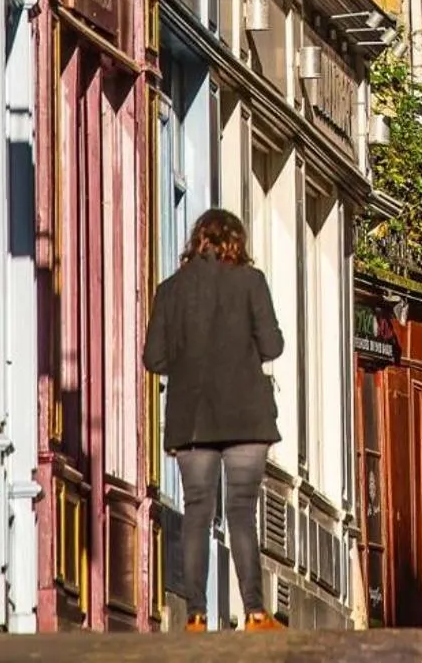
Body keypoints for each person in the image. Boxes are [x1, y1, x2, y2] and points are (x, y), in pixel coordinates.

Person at [143, 208, 284, 633]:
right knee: (241, 512)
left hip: (192, 421)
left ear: (196, 240)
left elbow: (154, 358)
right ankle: (256, 613)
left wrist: (188, 362)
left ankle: (196, 615)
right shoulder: (251, 282)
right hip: (245, 419)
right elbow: (273, 345)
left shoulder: (170, 290)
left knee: (197, 513)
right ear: (236, 242)